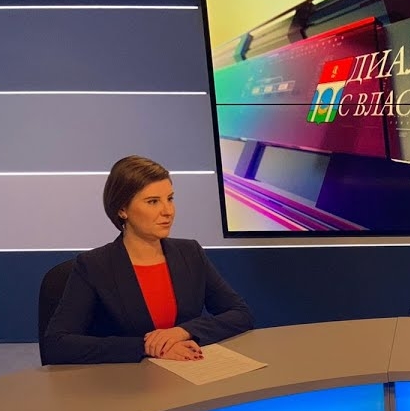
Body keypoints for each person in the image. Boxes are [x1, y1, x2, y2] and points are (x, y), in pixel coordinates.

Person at [41, 155, 255, 364]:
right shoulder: (94, 265)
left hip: (187, 371)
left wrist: (183, 331)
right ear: (122, 210)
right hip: (126, 380)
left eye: (170, 199)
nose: (168, 211)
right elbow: (57, 344)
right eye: (153, 202)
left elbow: (240, 313)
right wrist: (147, 346)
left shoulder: (190, 253)